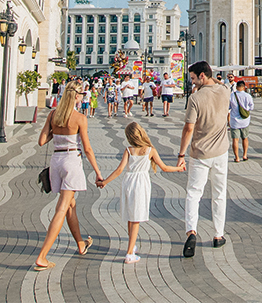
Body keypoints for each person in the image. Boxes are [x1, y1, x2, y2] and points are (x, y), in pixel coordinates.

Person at [34, 81, 103, 270]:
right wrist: (98, 173)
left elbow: (41, 141)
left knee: (70, 204)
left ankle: (80, 243)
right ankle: (42, 256)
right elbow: (87, 148)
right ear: (77, 96)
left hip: (56, 160)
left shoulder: (53, 115)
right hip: (72, 159)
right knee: (62, 208)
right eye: (81, 94)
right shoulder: (79, 118)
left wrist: (56, 131)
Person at [97, 121, 185, 263]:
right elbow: (164, 168)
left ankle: (132, 245)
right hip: (141, 183)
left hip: (128, 182)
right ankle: (129, 253)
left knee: (130, 216)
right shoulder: (150, 150)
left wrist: (105, 182)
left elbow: (119, 170)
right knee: (136, 218)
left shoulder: (128, 150)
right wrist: (179, 169)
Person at [177, 61, 230, 255]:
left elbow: (189, 128)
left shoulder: (195, 98)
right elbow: (218, 83)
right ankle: (218, 234)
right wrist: (208, 76)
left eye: (193, 78)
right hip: (221, 153)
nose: (192, 82)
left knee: (193, 193)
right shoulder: (225, 91)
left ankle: (191, 231)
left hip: (199, 153)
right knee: (219, 193)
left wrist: (181, 154)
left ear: (201, 76)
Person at [229, 80, 254, 162]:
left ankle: (237, 157)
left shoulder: (232, 95)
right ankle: (245, 155)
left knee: (235, 140)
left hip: (234, 121)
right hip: (245, 121)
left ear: (236, 87)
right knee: (245, 138)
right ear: (244, 87)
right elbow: (251, 107)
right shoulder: (248, 96)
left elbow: (228, 107)